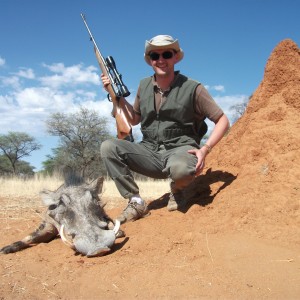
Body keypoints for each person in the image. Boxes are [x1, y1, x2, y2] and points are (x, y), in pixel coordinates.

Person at [100, 35, 230, 224]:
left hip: (180, 149)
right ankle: (136, 202)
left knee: (182, 171)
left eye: (167, 54)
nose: (161, 60)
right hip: (150, 150)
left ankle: (178, 188)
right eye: (155, 56)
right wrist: (115, 97)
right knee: (108, 147)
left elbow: (222, 120)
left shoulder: (193, 87)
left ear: (175, 57)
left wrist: (205, 149)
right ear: (150, 60)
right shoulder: (143, 85)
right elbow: (134, 120)